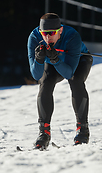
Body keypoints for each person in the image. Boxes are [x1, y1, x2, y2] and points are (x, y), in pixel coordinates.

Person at [27, 13, 93, 149]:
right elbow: (36, 75)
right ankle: (44, 133)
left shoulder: (72, 36)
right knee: (45, 84)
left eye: (51, 33)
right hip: (53, 62)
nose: (47, 37)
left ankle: (83, 130)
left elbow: (69, 73)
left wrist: (55, 59)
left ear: (60, 31)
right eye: (44, 33)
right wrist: (39, 60)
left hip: (79, 60)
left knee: (76, 81)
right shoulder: (34, 38)